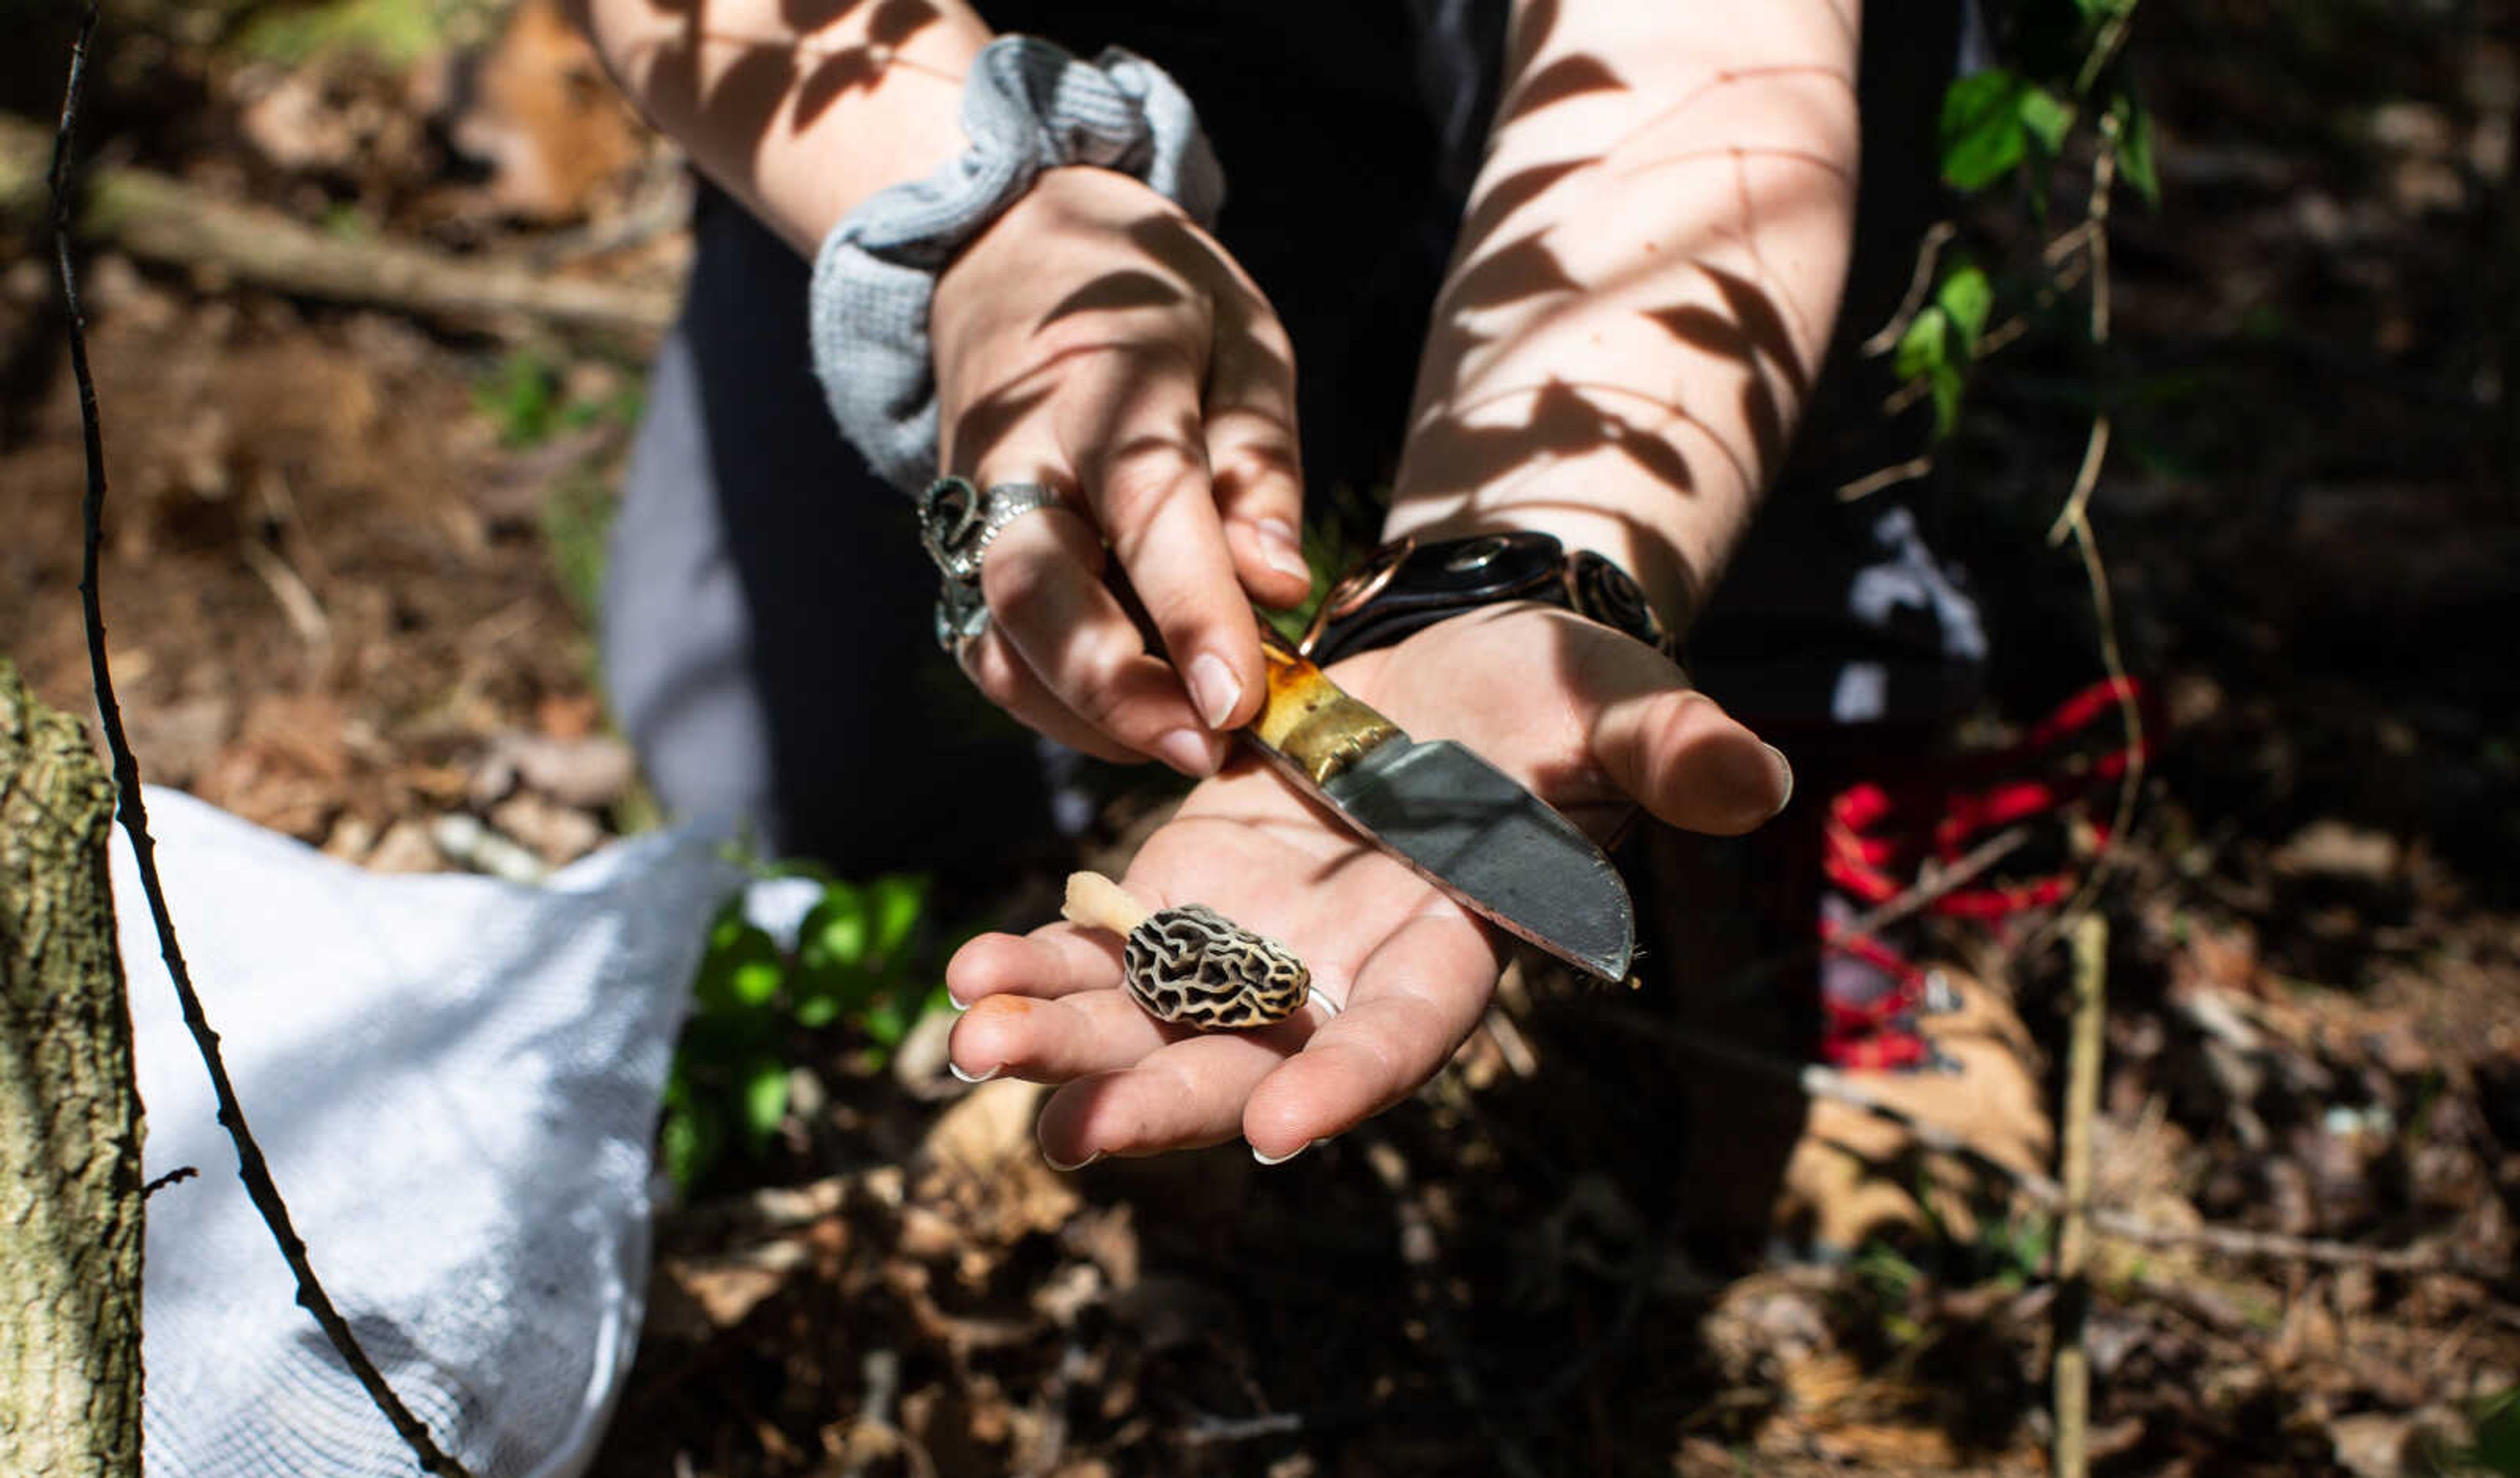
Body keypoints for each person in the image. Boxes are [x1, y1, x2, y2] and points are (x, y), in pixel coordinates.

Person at [576, 0, 1988, 1194]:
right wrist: (992, 217)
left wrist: (1524, 551)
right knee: (791, 756)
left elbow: (1704, 73)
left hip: (1587, 111)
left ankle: (1821, 637)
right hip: (981, 56)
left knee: (1767, 462)